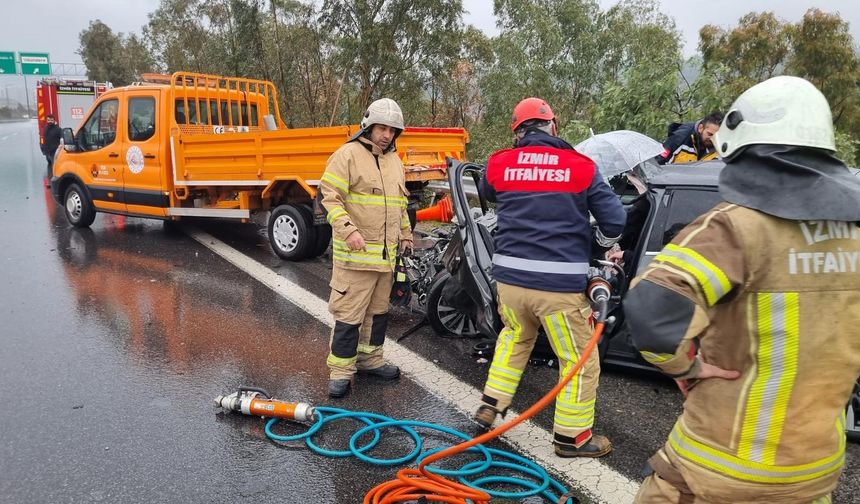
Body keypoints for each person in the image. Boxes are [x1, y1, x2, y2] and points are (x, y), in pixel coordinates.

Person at [625, 76, 860, 503]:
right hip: (815, 473)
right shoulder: (855, 235)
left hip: (719, 466)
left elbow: (653, 308)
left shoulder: (735, 226)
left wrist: (685, 368)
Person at [473, 97, 626, 458]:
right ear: (553, 126)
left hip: (510, 283)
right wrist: (598, 243)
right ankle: (572, 439)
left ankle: (491, 405)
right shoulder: (581, 166)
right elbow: (615, 220)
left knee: (514, 339)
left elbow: (487, 191)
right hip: (559, 288)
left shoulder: (499, 162)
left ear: (517, 132)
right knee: (577, 360)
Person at [318, 98, 413, 398]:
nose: (387, 135)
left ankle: (370, 361)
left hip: (385, 260)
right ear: (368, 126)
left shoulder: (394, 161)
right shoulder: (347, 155)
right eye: (382, 128)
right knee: (349, 316)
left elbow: (400, 205)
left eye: (392, 130)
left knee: (378, 314)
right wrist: (348, 231)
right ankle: (341, 372)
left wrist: (406, 236)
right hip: (355, 258)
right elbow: (329, 198)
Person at [656, 112, 723, 165]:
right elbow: (658, 162)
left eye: (717, 136)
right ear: (701, 128)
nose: (712, 138)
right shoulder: (680, 138)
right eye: (710, 134)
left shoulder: (723, 147)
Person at [41, 114, 62, 185]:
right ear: (47, 120)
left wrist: (60, 148)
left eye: (51, 120)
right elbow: (44, 139)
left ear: (54, 120)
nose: (50, 121)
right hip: (48, 152)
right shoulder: (45, 128)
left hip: (55, 152)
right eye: (48, 120)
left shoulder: (58, 129)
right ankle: (51, 181)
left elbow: (62, 139)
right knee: (50, 166)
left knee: (55, 166)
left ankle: (57, 182)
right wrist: (44, 149)